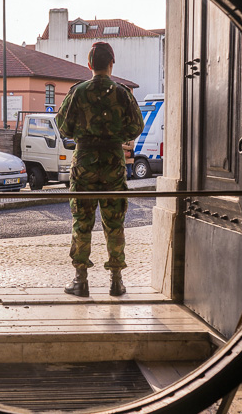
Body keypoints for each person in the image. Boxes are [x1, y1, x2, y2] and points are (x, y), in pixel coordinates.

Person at [55, 42, 145, 297]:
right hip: (113, 163)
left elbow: (63, 126)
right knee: (114, 222)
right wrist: (116, 135)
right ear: (111, 64)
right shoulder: (123, 93)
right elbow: (136, 126)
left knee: (81, 221)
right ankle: (116, 281)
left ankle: (80, 280)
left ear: (89, 64)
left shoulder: (77, 92)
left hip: (84, 162)